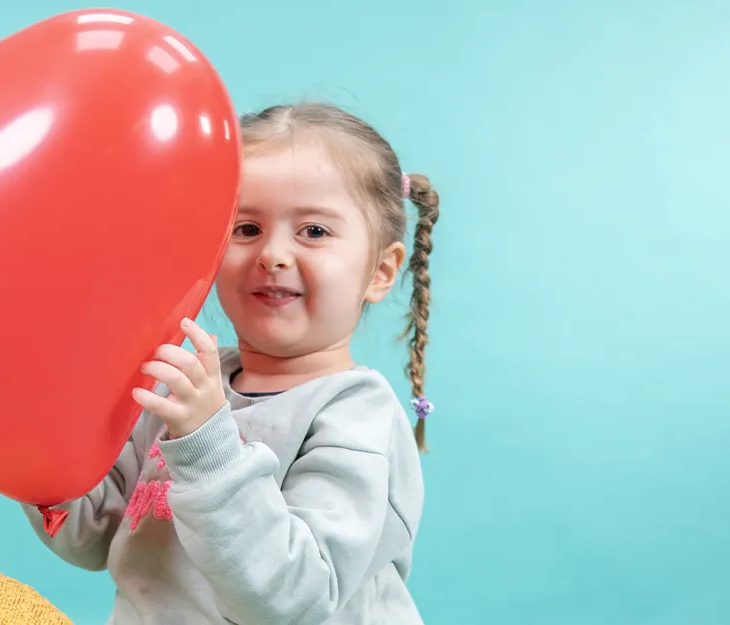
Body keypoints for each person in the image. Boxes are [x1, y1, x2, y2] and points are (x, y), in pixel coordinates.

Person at [23, 101, 441, 624]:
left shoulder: (357, 417)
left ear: (380, 271)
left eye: (314, 231)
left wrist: (206, 446)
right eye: (246, 229)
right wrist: (41, 448)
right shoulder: (184, 384)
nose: (272, 254)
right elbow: (93, 537)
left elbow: (292, 601)